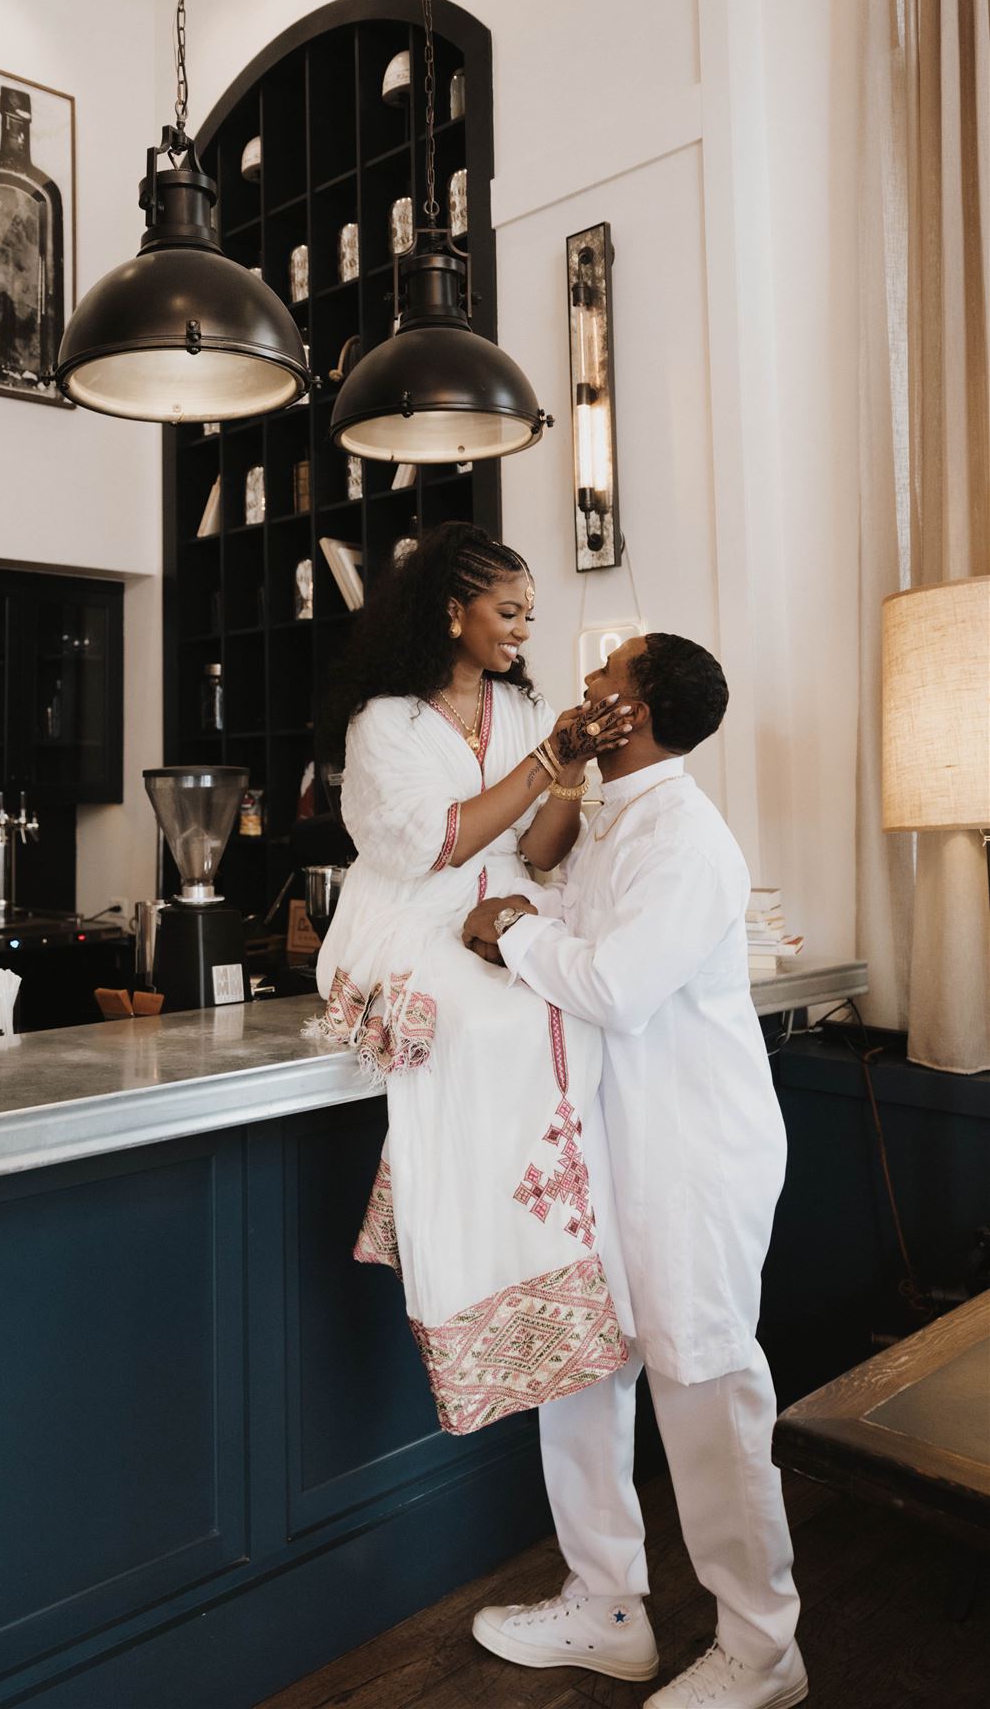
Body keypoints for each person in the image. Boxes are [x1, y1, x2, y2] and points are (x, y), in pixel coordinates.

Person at [463, 632, 805, 1709]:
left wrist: (515, 936)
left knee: (705, 1386)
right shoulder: (620, 815)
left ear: (641, 711)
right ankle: (607, 1603)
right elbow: (567, 907)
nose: (589, 688)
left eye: (607, 680)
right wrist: (527, 913)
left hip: (693, 1156)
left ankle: (764, 1647)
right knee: (583, 1364)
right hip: (612, 1145)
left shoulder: (690, 841)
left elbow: (614, 982)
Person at [315, 522, 636, 1434]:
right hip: (412, 915)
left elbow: (535, 853)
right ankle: (455, 1248)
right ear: (451, 612)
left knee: (562, 1014)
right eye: (508, 611)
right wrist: (547, 760)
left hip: (505, 911)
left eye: (529, 614)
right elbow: (437, 844)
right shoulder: (387, 722)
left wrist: (568, 773)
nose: (522, 630)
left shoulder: (528, 714)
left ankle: (548, 1255)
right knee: (480, 1026)